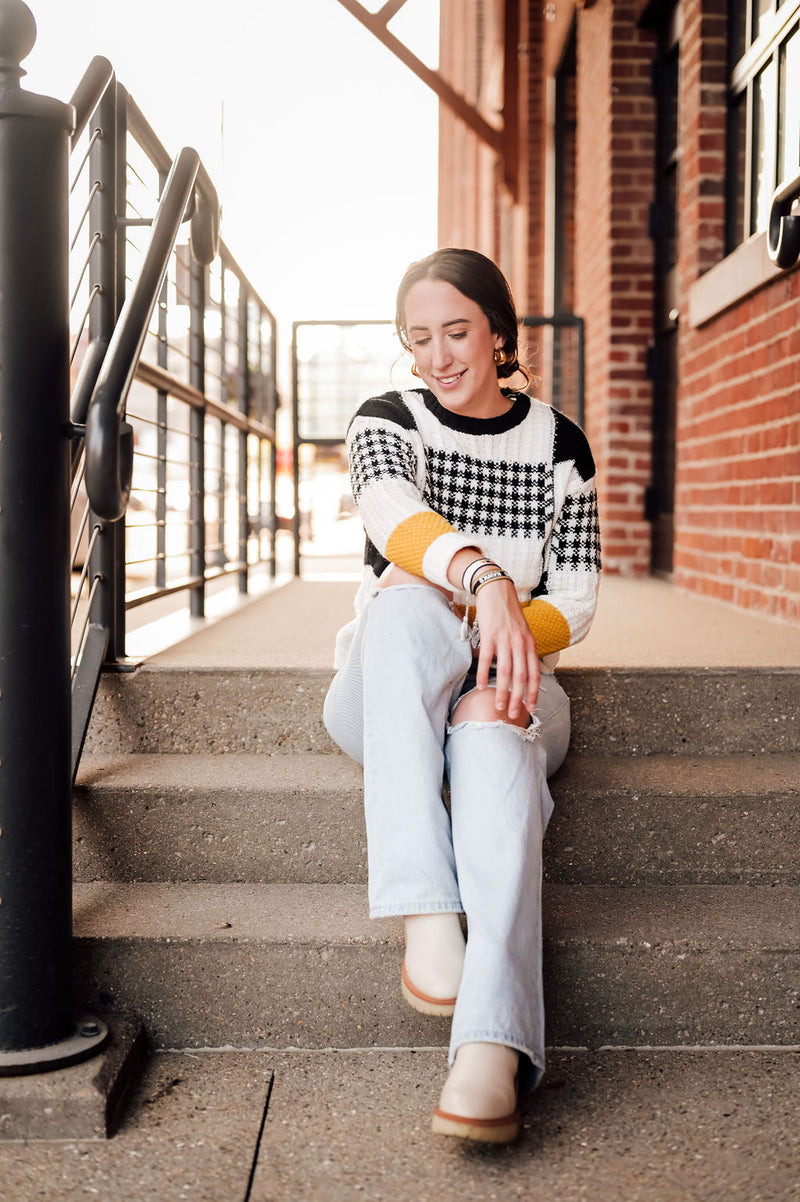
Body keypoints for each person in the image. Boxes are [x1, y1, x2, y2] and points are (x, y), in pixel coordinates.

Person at [323, 248, 600, 1143]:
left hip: (511, 686)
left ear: (498, 333)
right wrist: (486, 583)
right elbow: (395, 521)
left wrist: (500, 637)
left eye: (457, 332)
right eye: (420, 339)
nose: (439, 357)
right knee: (403, 605)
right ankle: (427, 911)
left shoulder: (559, 442)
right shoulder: (386, 420)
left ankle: (491, 1049)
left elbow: (581, 597)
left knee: (487, 731)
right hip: (387, 692)